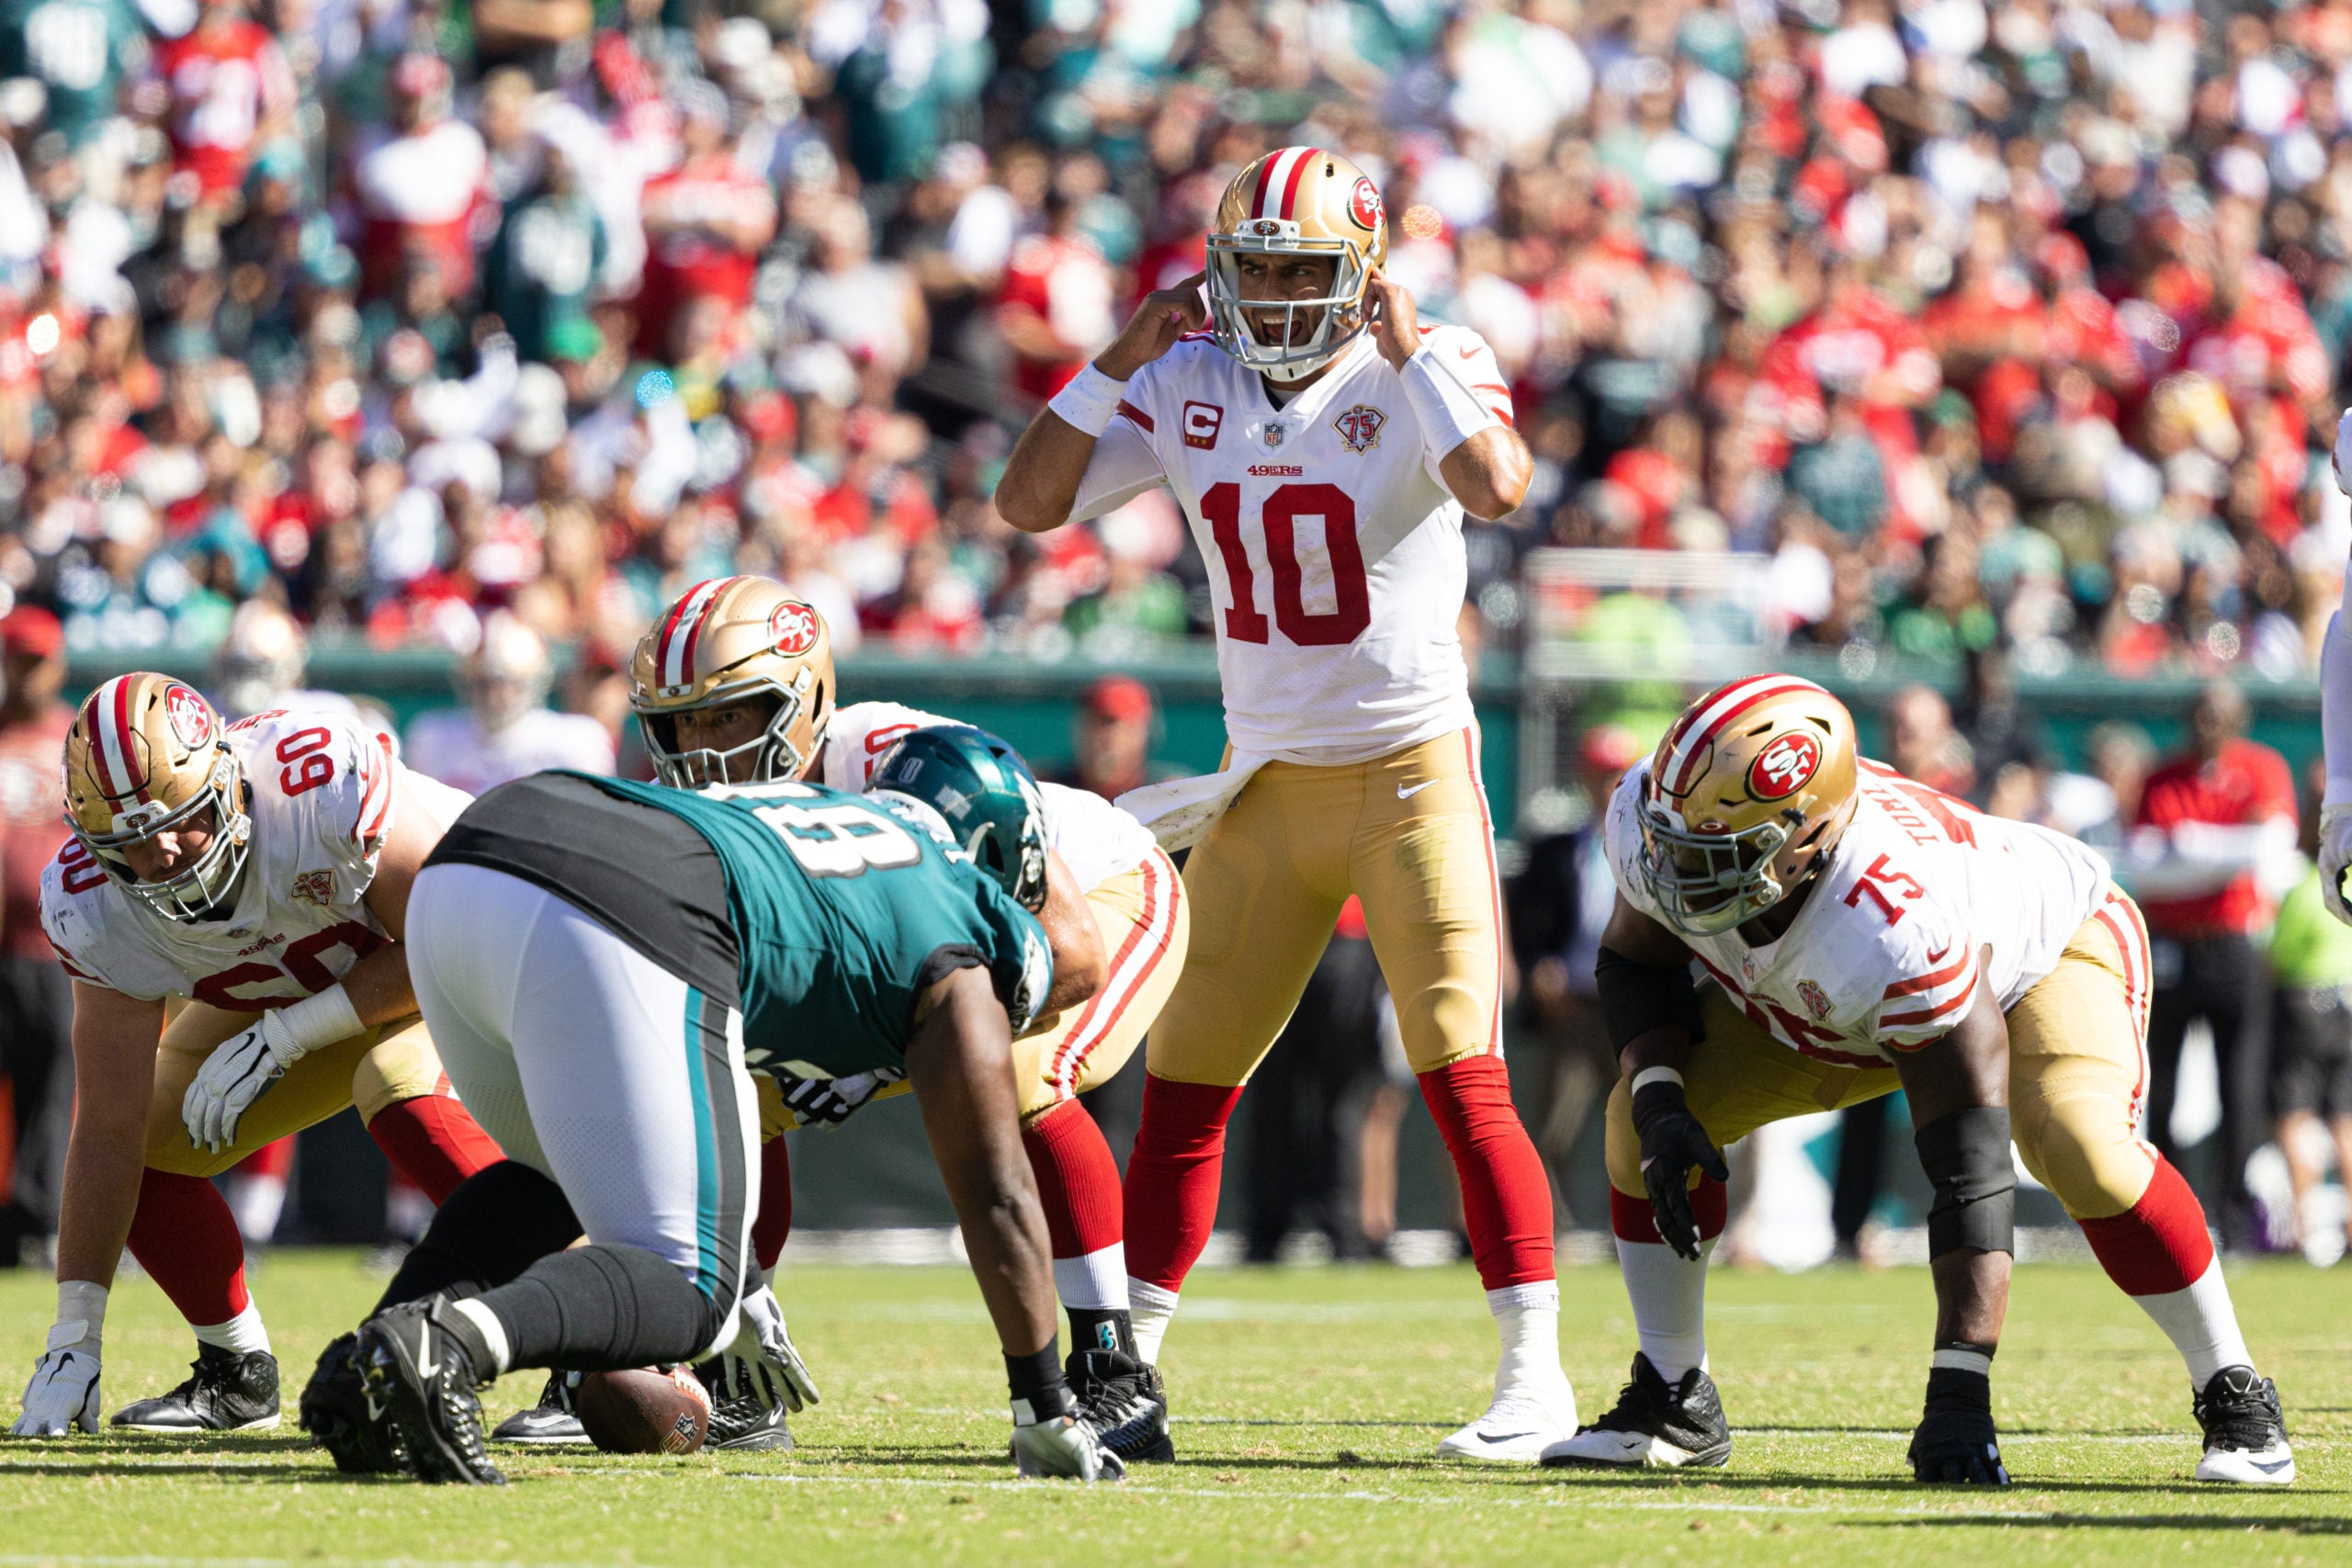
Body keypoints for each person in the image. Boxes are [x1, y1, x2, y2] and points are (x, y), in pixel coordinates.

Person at [993, 147, 1572, 1462]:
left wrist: (1417, 350)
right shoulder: (1188, 378)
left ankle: (1537, 1376)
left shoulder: (1428, 362)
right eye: (1256, 266)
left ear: (1363, 276)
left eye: (1306, 270)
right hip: (1265, 780)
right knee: (1186, 1088)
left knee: (1462, 1072)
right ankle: (1124, 1367)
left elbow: (1498, 487)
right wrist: (1116, 359)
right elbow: (1025, 503)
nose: (1278, 294)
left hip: (1412, 771)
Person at [1542, 674, 2291, 1487]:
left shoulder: (1896, 925)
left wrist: (1959, 1391)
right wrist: (1657, 1094)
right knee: (1637, 1119)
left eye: (1713, 854)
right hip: (1826, 999)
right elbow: (1635, 956)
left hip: (2038, 955)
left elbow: (1968, 1173)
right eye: (1672, 840)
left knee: (2076, 1142)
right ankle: (1675, 1397)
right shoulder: (1658, 817)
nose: (1676, 871)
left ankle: (2235, 1387)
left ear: (1807, 837)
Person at [298, 768, 1121, 1484]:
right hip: (620, 903)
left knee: (557, 1171)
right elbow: (999, 1191)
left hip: (476, 858)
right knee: (692, 1286)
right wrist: (1044, 1405)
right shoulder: (964, 928)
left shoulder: (847, 834)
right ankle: (449, 1344)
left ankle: (361, 1371)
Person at [590, 575, 1184, 1464]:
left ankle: (1114, 1373)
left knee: (1018, 1070)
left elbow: (1069, 954)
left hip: (1099, 900)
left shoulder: (891, 760)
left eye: (731, 716)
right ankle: (735, 1372)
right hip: (938, 967)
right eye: (682, 723)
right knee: (732, 1090)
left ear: (808, 699)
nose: (703, 750)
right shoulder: (707, 822)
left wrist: (877, 1060)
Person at [11, 677, 503, 1437]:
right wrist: (74, 1332)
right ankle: (236, 1370)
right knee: (146, 1141)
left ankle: (592, 1343)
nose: (161, 855)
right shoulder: (90, 902)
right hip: (293, 986)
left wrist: (293, 1032)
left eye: (182, 822)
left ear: (227, 784)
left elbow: (450, 944)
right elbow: (106, 1125)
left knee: (401, 1087)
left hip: (463, 960)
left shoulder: (317, 786)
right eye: (128, 845)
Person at [2130, 683, 2294, 1245]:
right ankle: (2169, 1219)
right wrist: (2222, 852)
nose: (2208, 726)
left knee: (2240, 1088)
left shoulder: (2261, 767)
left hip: (2231, 944)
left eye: (2219, 716)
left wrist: (2193, 848)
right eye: (2199, 715)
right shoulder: (2161, 777)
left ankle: (2231, 1216)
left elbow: (2270, 848)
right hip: (2173, 944)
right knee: (2163, 1085)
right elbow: (2147, 867)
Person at [0, 608, 75, 1262]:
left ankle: (39, 1223)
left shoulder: (73, 738)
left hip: (50, 947)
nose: (24, 673)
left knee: (51, 1087)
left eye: (35, 660)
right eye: (14, 657)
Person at [2267, 764, 2352, 1264]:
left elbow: (2278, 952)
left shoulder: (2304, 884)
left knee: (2295, 1115)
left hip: (2305, 1003)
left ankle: (2301, 1225)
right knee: (2344, 1117)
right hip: (2347, 1003)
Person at [404, 612, 616, 795]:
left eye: (508, 683)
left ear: (534, 682)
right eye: (484, 683)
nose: (494, 695)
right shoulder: (432, 737)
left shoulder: (577, 741)